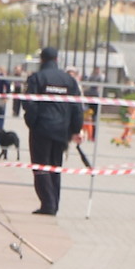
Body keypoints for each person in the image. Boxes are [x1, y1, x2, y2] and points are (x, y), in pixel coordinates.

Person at [20, 46, 84, 215]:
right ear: (57, 60)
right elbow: (77, 107)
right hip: (61, 130)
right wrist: (75, 129)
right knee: (56, 167)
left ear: (42, 60)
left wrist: (32, 123)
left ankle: (48, 204)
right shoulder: (69, 80)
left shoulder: (37, 78)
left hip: (41, 129)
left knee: (41, 166)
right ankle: (54, 202)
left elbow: (29, 103)